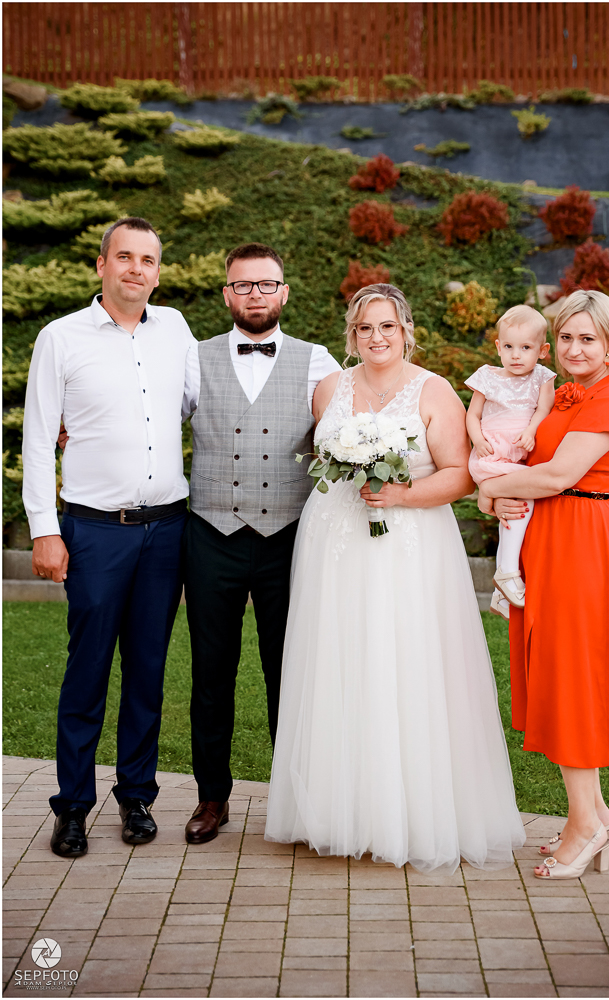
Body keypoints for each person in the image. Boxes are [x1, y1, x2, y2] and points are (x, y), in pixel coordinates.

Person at [264, 283, 526, 873]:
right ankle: (335, 812)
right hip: (333, 543)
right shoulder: (330, 389)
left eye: (387, 326)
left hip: (408, 545)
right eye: (364, 328)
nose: (376, 337)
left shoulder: (434, 391)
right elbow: (322, 460)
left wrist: (401, 495)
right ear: (351, 335)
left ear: (406, 330)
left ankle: (409, 815)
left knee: (404, 662)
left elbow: (460, 474)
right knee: (337, 662)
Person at [23, 217, 199, 857]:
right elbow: (38, 438)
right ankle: (72, 807)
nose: (135, 269)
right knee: (88, 671)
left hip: (167, 530)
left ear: (158, 271)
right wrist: (45, 529)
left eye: (147, 260)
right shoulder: (60, 337)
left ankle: (136, 798)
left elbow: (199, 405)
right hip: (95, 531)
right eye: (124, 257)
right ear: (102, 265)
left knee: (147, 671)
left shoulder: (175, 329)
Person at [478, 289, 609, 880]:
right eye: (566, 337)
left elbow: (558, 475)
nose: (574, 349)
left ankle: (584, 826)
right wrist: (501, 494)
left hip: (581, 544)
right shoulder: (567, 394)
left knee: (573, 676)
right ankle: (595, 815)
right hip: (549, 537)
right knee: (556, 671)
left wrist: (489, 490)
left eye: (587, 339)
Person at [182, 242, 341, 844]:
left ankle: (293, 802)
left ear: (284, 292)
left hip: (289, 538)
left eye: (266, 284)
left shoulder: (317, 360)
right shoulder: (194, 359)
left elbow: (351, 429)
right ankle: (211, 797)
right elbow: (148, 419)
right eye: (243, 285)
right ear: (227, 293)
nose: (255, 294)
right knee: (211, 672)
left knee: (289, 671)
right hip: (211, 534)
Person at [465, 305, 556, 619]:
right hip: (491, 455)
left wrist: (530, 431)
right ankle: (507, 571)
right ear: (498, 346)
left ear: (542, 351)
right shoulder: (488, 376)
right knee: (524, 499)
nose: (516, 355)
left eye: (526, 348)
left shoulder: (542, 377)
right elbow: (473, 415)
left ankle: (501, 587)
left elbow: (543, 410)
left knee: (512, 508)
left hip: (517, 454)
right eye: (508, 347)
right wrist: (477, 440)